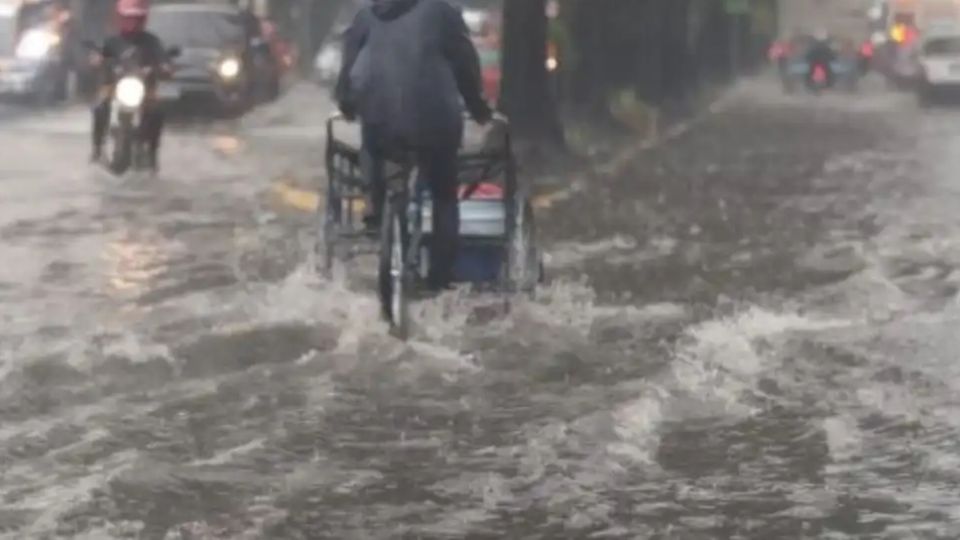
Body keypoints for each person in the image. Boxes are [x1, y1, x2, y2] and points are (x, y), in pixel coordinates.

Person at [335, 0, 492, 291]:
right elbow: (465, 65)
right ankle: (438, 282)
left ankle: (378, 204)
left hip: (381, 123)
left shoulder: (366, 16)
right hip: (436, 121)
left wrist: (346, 105)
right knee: (444, 195)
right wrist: (478, 106)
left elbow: (348, 72)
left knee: (377, 141)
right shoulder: (443, 13)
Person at [90, 0, 171, 169]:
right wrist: (98, 61)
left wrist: (162, 67)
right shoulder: (112, 41)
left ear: (144, 19)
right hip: (115, 87)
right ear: (120, 19)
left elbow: (164, 61)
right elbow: (99, 56)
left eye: (137, 18)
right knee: (99, 106)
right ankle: (97, 148)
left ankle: (152, 153)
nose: (133, 22)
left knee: (158, 111)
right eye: (129, 18)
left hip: (144, 88)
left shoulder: (152, 42)